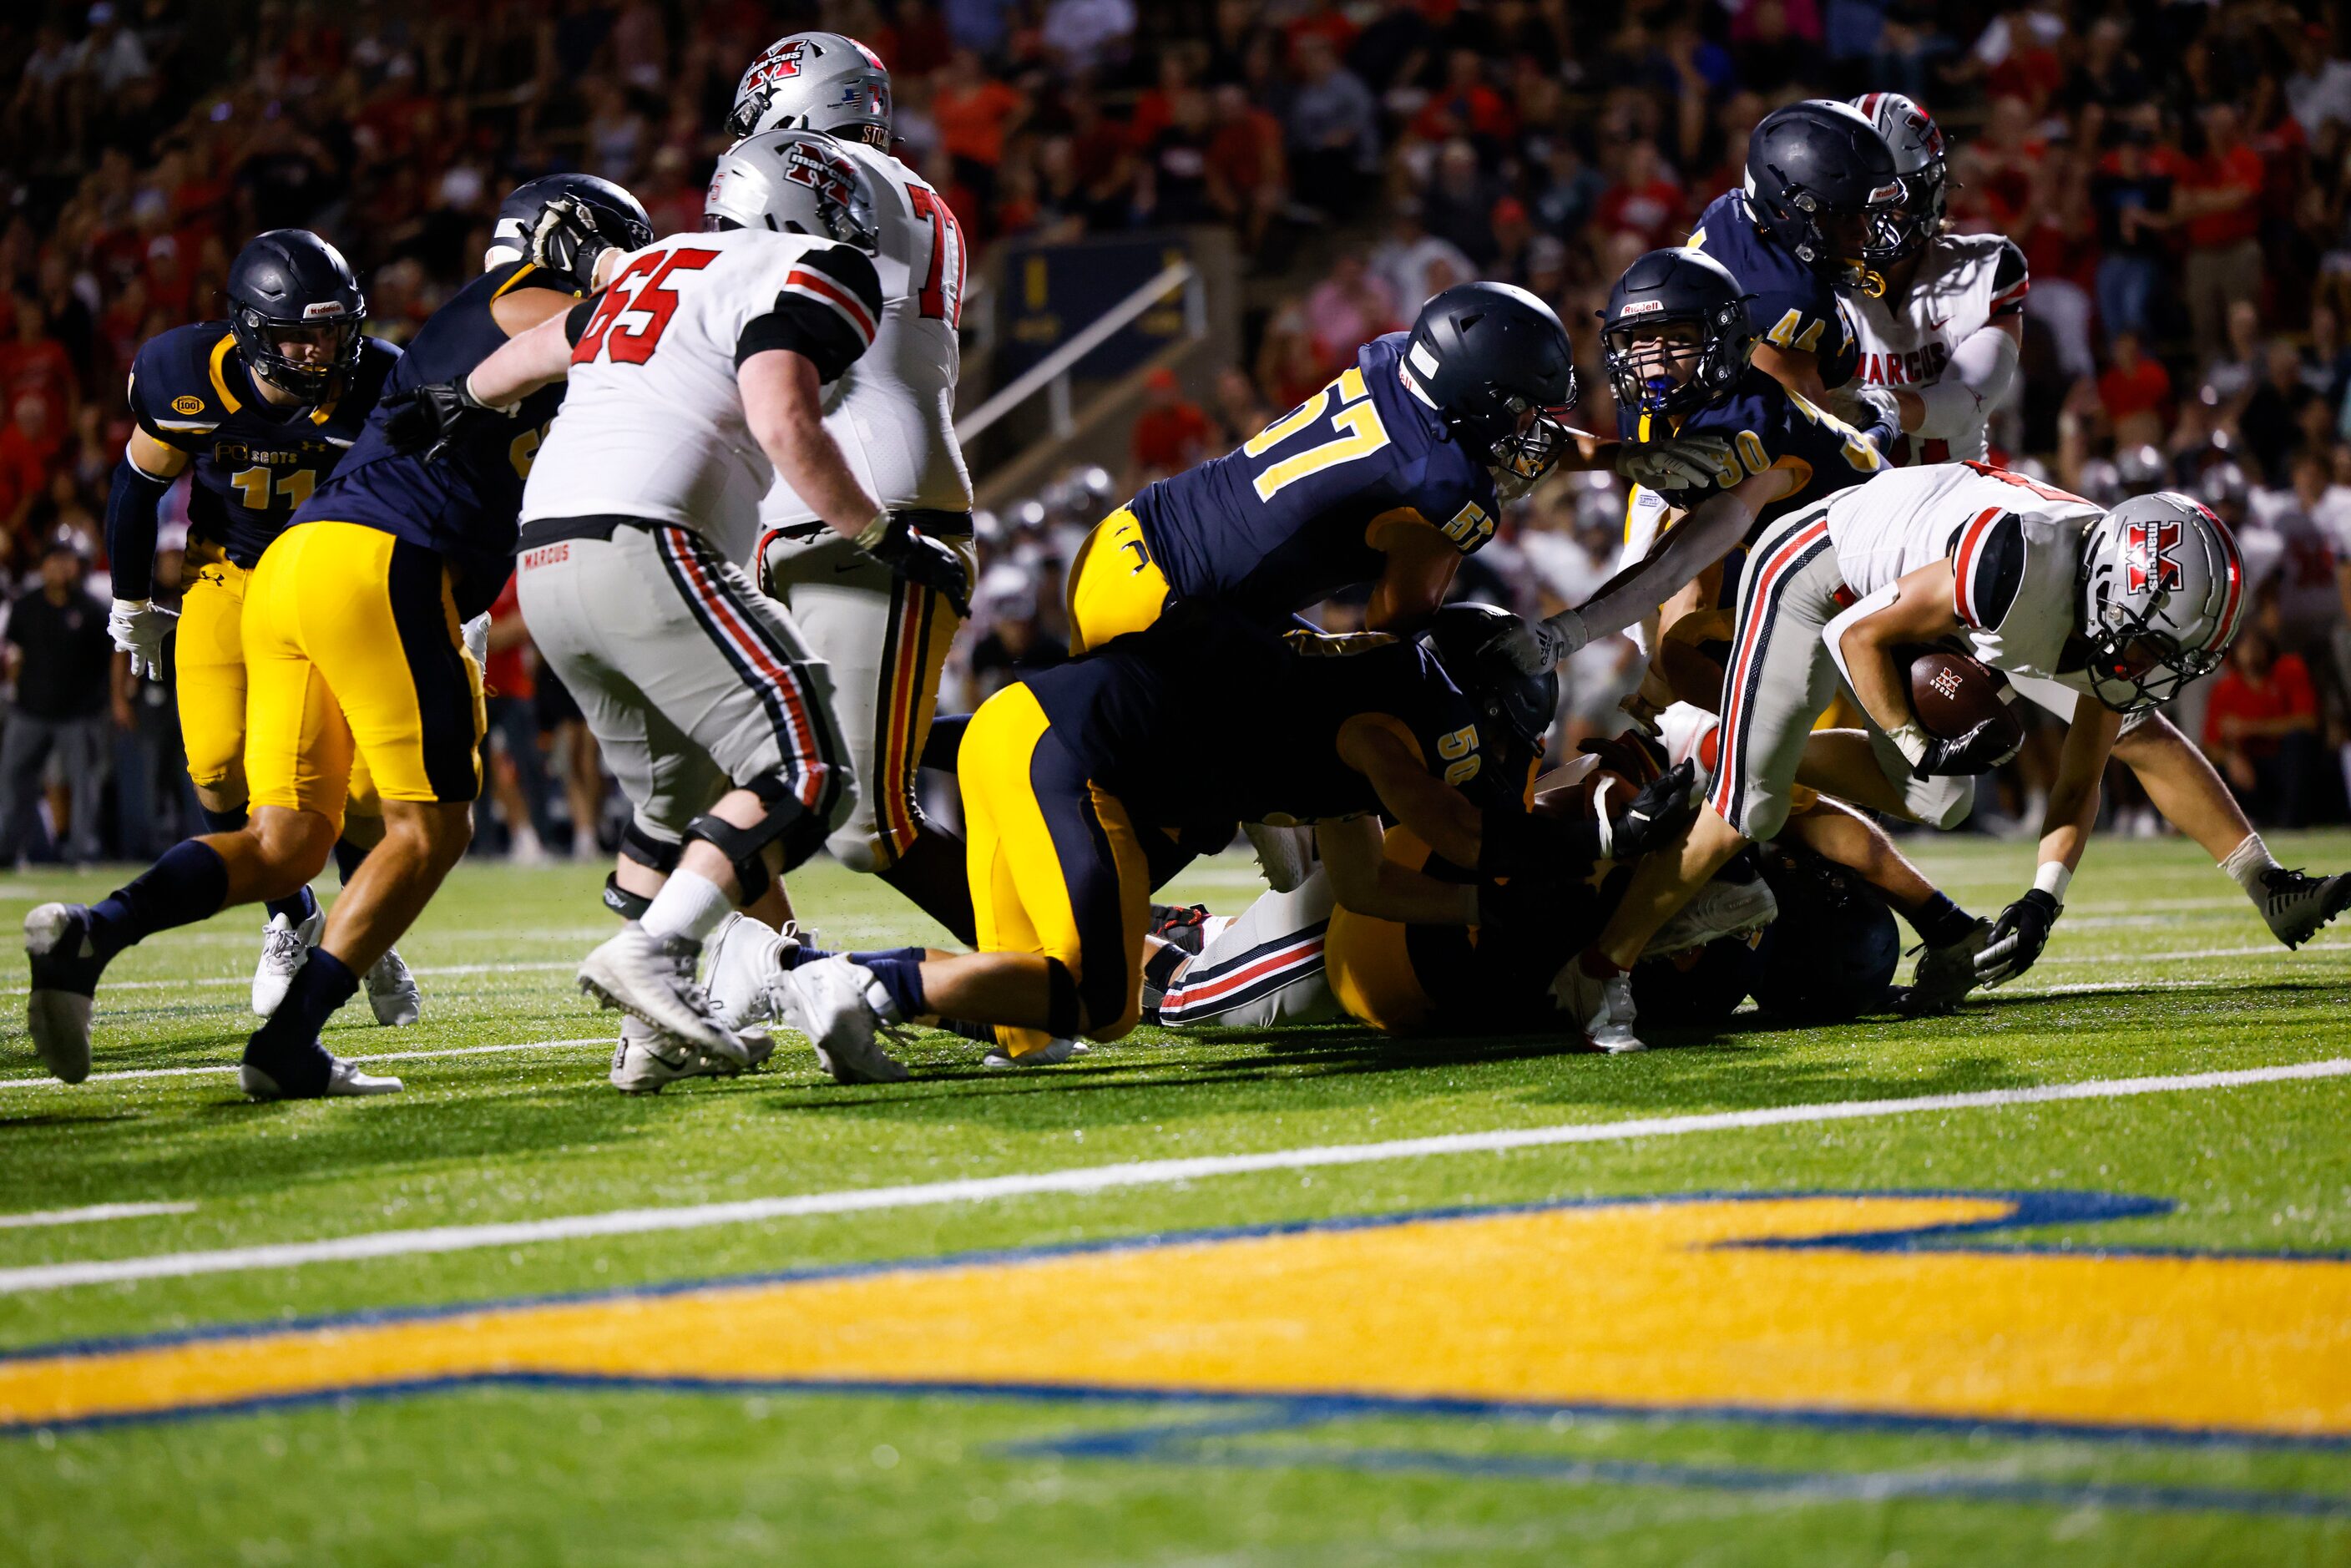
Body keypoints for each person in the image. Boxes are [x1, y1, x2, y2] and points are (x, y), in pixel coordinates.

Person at [22, 175, 648, 1095]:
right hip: (369, 566)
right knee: (431, 828)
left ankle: (92, 934)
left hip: (300, 573)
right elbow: (608, 324)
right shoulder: (526, 298)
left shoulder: (418, 352)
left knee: (285, 846)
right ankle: (286, 1044)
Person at [461, 131, 965, 1093]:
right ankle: (652, 954)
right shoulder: (806, 266)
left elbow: (497, 377)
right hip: (644, 541)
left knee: (672, 804)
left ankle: (648, 1040)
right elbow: (785, 420)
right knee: (812, 769)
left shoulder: (654, 262)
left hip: (545, 561)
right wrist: (877, 536)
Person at [1556, 470, 2248, 1052]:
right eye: (2156, 645)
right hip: (1811, 570)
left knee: (1937, 799)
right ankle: (1599, 967)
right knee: (1752, 805)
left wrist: (2043, 898)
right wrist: (1917, 741)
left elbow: (2080, 779)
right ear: (2110, 589)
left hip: (1894, 596)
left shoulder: (2099, 612)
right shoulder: (2017, 564)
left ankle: (1720, 747)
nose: (2157, 667)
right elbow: (1857, 633)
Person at [104, 229, 417, 1024]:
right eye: (296, 335)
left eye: (332, 331)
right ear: (248, 329)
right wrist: (132, 600)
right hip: (227, 572)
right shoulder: (186, 374)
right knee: (214, 766)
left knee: (360, 785)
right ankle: (290, 916)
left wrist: (455, 600)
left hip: (332, 579)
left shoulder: (382, 380)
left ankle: (362, 928)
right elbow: (137, 487)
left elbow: (428, 498)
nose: (317, 352)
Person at [731, 31, 984, 948]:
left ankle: (1095, 956)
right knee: (739, 768)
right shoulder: (922, 199)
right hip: (857, 483)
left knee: (864, 822)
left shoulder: (803, 171)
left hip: (852, 499)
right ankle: (774, 968)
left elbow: (748, 322)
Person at [1482, 246, 1898, 678]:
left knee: (1683, 656)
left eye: (1678, 339)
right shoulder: (1668, 403)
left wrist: (1562, 635)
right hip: (1810, 565)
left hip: (1880, 572)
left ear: (1725, 342)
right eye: (1640, 338)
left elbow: (1676, 564)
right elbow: (1654, 476)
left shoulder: (1749, 429)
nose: (1652, 358)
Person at [1844, 93, 2027, 466]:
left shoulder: (1985, 269)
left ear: (1929, 191)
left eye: (1893, 198)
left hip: (1954, 496)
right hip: (1842, 502)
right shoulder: (1804, 281)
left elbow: (1965, 404)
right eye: (1859, 198)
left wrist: (1877, 404)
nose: (1875, 220)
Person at [0, 531, 112, 867]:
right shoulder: (26, 606)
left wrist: (101, 703)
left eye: (66, 561)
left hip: (77, 713)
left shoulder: (91, 610)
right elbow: (15, 655)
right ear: (43, 565)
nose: (60, 567)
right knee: (13, 779)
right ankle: (6, 849)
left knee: (83, 784)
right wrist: (18, 694)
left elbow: (108, 660)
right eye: (54, 560)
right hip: (30, 711)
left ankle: (80, 852)